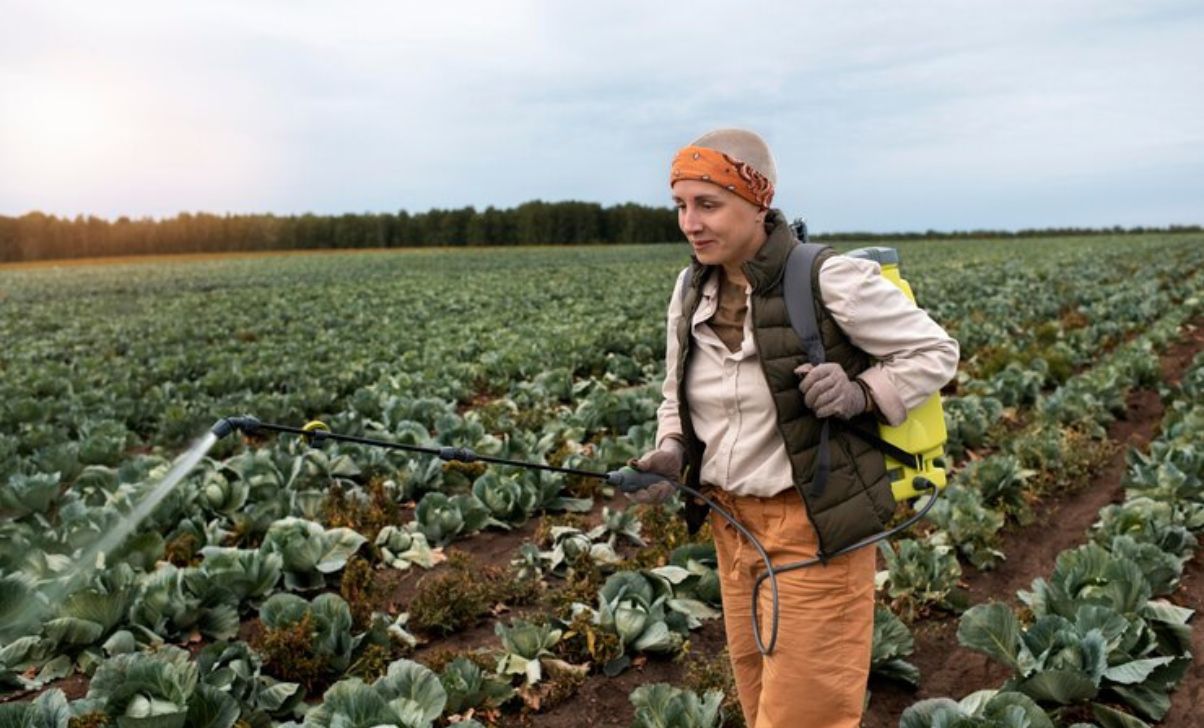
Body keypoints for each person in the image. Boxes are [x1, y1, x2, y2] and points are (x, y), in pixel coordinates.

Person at [628, 128, 959, 728]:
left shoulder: (826, 279)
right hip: (732, 532)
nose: (690, 223)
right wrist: (672, 448)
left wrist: (861, 392)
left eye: (708, 204)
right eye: (680, 205)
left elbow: (936, 352)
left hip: (812, 533)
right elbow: (675, 393)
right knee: (761, 708)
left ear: (758, 201)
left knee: (803, 718)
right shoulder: (690, 288)